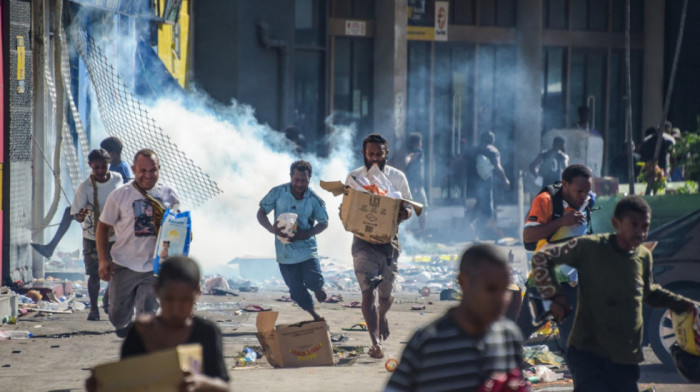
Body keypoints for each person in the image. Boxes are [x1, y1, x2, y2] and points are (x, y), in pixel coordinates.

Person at [532, 195, 698, 392]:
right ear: (616, 223)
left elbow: (649, 292)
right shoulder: (591, 247)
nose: (641, 232)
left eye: (645, 226)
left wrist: (682, 304)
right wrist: (556, 297)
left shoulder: (643, 255)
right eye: (634, 225)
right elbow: (543, 259)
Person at [385, 244, 526, 391]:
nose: (500, 299)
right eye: (490, 289)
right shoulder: (428, 342)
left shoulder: (509, 337)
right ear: (463, 281)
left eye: (505, 290)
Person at [86, 256, 230, 392]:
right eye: (169, 299)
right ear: (157, 291)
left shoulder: (206, 332)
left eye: (185, 300)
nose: (176, 308)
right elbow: (126, 381)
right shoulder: (141, 332)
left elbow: (224, 386)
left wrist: (200, 382)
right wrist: (101, 384)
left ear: (197, 293)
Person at [97, 149, 180, 337]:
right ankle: (119, 313)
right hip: (124, 264)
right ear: (134, 169)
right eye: (143, 171)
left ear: (159, 169)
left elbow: (178, 227)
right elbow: (102, 227)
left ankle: (143, 346)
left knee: (147, 313)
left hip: (155, 266)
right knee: (117, 316)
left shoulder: (168, 194)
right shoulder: (120, 196)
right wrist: (103, 260)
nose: (148, 176)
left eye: (153, 171)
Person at [346, 133, 413, 359]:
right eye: (371, 154)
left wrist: (401, 213)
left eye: (379, 154)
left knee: (385, 295)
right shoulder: (354, 178)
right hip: (363, 242)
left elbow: (409, 208)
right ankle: (375, 343)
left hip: (388, 243)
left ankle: (382, 315)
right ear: (364, 154)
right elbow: (347, 209)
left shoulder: (398, 177)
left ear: (386, 154)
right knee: (368, 292)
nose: (375, 159)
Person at [519, 164, 594, 348]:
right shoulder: (545, 201)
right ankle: (493, 367)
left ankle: (581, 375)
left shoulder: (590, 200)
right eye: (579, 191)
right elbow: (528, 236)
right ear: (565, 185)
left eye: (587, 191)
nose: (584, 195)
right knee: (521, 331)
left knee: (573, 341)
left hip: (573, 283)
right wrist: (562, 222)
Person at [257, 160, 329, 320]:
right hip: (285, 253)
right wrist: (271, 228)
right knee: (296, 290)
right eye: (296, 180)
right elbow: (261, 212)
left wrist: (305, 234)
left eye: (303, 180)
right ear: (291, 177)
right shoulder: (278, 192)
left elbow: (324, 223)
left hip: (307, 250)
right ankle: (315, 315)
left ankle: (317, 288)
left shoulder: (314, 199)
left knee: (313, 280)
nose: (299, 184)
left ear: (309, 179)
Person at [71, 149, 123, 321]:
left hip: (116, 235)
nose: (100, 171)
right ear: (90, 167)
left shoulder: (117, 179)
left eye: (104, 167)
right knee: (94, 273)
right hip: (92, 236)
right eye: (96, 168)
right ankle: (94, 309)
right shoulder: (84, 187)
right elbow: (77, 217)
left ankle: (107, 300)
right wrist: (82, 214)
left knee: (117, 271)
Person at [469, 131, 510, 235]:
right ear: (492, 140)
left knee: (479, 204)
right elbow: (497, 167)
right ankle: (473, 231)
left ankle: (468, 223)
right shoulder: (492, 151)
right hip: (485, 183)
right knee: (488, 212)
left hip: (472, 182)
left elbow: (462, 160)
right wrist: (504, 179)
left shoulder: (475, 150)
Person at [404, 132, 428, 232]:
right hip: (415, 185)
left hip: (416, 185)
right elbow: (410, 158)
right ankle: (420, 230)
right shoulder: (418, 151)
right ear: (418, 143)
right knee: (422, 208)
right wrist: (408, 158)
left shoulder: (413, 152)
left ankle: (411, 230)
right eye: (420, 141)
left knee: (415, 208)